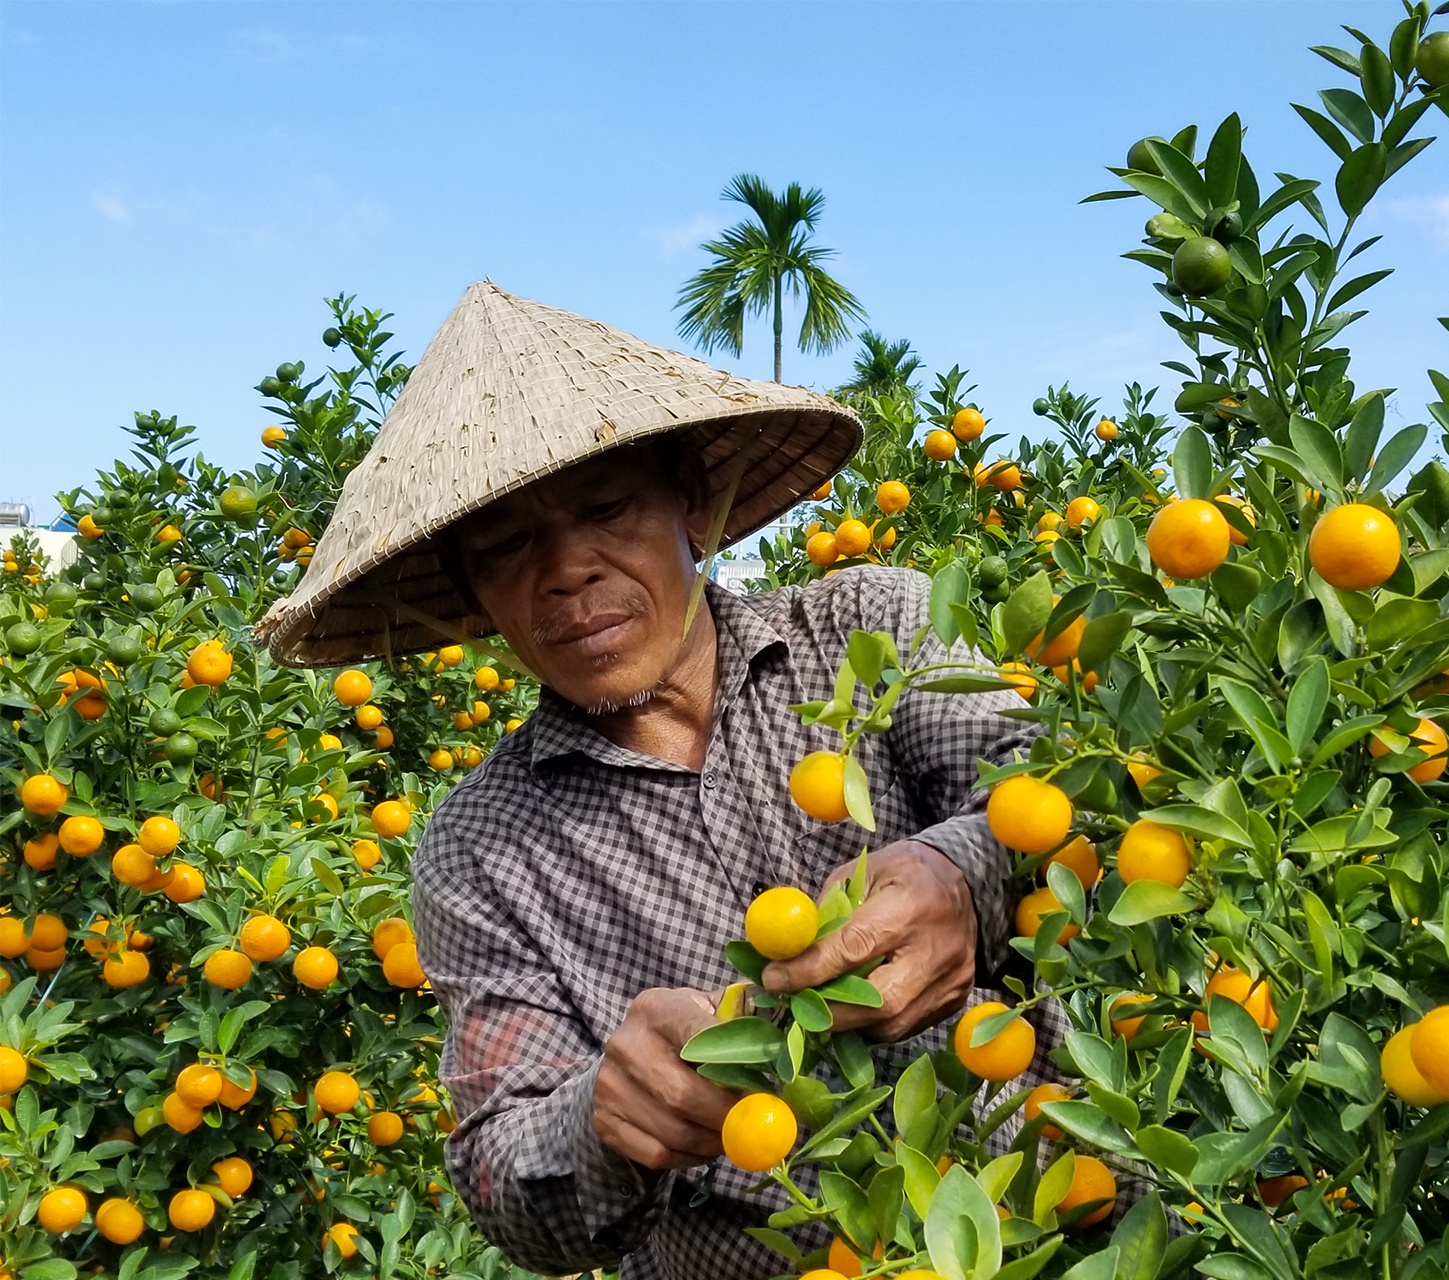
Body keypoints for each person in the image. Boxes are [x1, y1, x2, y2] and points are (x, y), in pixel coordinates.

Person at [260, 282, 1041, 1279]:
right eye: (507, 544)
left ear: (687, 499)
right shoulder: (479, 849)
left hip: (1064, 1234)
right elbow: (501, 1178)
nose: (567, 569)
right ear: (470, 586)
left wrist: (964, 871)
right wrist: (600, 1121)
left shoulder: (874, 629)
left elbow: (1068, 797)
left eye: (604, 506)